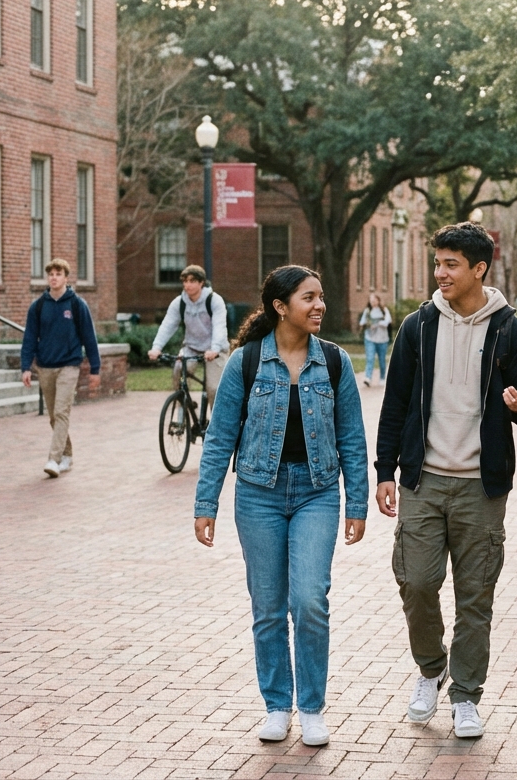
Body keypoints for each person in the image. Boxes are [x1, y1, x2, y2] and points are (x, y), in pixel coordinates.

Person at [375, 222, 517, 740]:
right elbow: (395, 401)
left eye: (451, 264)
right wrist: (385, 470)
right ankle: (431, 668)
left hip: (480, 486)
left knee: (476, 597)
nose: (440, 272)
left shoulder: (509, 330)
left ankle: (467, 695)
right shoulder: (417, 326)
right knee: (417, 582)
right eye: (438, 263)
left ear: (478, 269)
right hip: (422, 482)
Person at [193, 265, 368, 747]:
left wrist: (358, 503)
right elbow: (220, 436)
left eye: (321, 296)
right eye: (309, 298)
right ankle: (277, 705)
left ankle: (311, 707)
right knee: (268, 608)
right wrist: (205, 502)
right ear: (280, 306)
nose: (319, 306)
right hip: (258, 495)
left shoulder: (334, 362)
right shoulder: (245, 362)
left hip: (316, 493)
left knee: (309, 600)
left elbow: (352, 437)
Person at [20, 258, 102, 477]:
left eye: (58, 273)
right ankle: (67, 455)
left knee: (61, 411)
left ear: (66, 277)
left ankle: (53, 460)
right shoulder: (38, 306)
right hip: (45, 366)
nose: (54, 277)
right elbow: (29, 338)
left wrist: (95, 368)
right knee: (53, 417)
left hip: (69, 365)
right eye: (51, 274)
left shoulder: (76, 304)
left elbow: (89, 338)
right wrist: (26, 367)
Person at [147, 265, 229, 407]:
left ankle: (216, 425)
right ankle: (184, 405)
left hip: (215, 350)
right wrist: (156, 347)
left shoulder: (214, 300)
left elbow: (219, 326)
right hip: (191, 347)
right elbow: (168, 325)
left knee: (214, 388)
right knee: (178, 371)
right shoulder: (179, 302)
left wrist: (215, 349)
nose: (187, 285)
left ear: (201, 282)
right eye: (185, 281)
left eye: (192, 281)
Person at [357, 293, 392, 387]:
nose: (372, 302)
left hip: (382, 339)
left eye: (374, 300)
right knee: (370, 358)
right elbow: (362, 322)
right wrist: (367, 325)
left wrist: (379, 323)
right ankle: (368, 378)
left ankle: (382, 378)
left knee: (382, 360)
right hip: (370, 338)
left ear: (378, 300)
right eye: (371, 301)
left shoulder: (384, 310)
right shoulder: (367, 311)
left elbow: (388, 321)